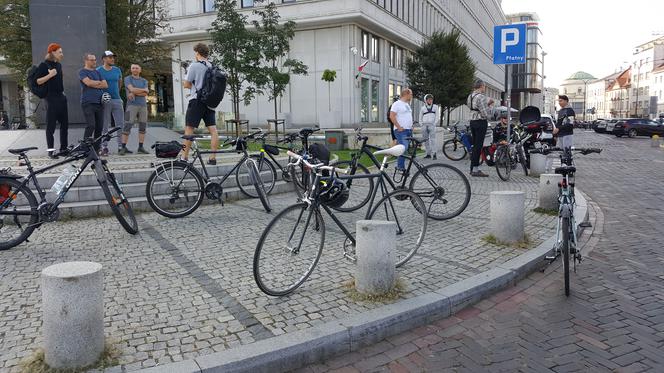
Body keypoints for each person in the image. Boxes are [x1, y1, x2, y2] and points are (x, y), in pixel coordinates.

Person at [182, 43, 219, 164]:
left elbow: (186, 84)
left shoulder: (194, 65)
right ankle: (213, 158)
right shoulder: (212, 66)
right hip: (209, 102)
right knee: (213, 130)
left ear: (197, 53)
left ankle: (184, 157)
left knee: (189, 129)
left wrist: (193, 86)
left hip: (196, 101)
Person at [36, 43, 69, 158]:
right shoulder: (43, 65)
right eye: (60, 52)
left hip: (61, 97)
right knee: (51, 126)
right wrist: (50, 76)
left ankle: (64, 149)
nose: (62, 54)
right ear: (53, 52)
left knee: (65, 125)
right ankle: (51, 151)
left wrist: (62, 92)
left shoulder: (58, 65)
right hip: (50, 98)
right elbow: (38, 81)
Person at [79, 53, 108, 151]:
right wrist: (98, 83)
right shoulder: (82, 72)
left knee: (99, 127)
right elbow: (88, 83)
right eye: (92, 60)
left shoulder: (97, 72)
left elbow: (105, 85)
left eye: (95, 60)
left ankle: (96, 149)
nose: (94, 62)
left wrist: (94, 83)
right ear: (86, 61)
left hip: (99, 103)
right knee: (91, 125)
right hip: (88, 102)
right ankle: (85, 149)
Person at [97, 50, 124, 156]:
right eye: (110, 57)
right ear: (104, 59)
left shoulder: (117, 70)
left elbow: (119, 83)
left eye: (113, 57)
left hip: (117, 100)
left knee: (120, 124)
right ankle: (104, 147)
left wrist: (117, 95)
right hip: (105, 101)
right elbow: (97, 84)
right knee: (105, 125)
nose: (112, 59)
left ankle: (120, 146)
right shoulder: (98, 71)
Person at [466, 79, 494, 177]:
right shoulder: (481, 97)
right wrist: (490, 106)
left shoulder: (470, 96)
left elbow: (473, 108)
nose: (484, 88)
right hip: (480, 122)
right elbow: (486, 114)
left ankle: (472, 167)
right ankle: (475, 169)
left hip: (472, 121)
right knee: (478, 146)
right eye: (484, 86)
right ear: (481, 86)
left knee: (475, 145)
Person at [122, 63, 150, 155]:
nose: (135, 69)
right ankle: (123, 147)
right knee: (127, 125)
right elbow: (133, 89)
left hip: (143, 106)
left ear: (140, 70)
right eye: (133, 68)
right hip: (131, 106)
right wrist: (141, 90)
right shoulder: (127, 79)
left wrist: (134, 92)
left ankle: (141, 147)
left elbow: (145, 93)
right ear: (131, 70)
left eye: (137, 68)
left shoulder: (144, 80)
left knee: (143, 126)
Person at [389, 89, 414, 172]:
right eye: (411, 94)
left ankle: (401, 167)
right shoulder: (396, 104)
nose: (412, 96)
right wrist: (399, 127)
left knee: (404, 149)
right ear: (406, 94)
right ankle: (400, 167)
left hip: (408, 130)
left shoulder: (407, 104)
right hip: (401, 131)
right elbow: (392, 116)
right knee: (403, 148)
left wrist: (411, 126)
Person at [419, 93, 439, 159]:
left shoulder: (435, 107)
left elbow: (437, 116)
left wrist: (434, 123)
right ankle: (428, 154)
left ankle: (434, 153)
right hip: (424, 125)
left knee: (433, 140)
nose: (430, 101)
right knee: (426, 140)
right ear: (426, 100)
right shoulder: (423, 108)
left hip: (432, 125)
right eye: (428, 99)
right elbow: (420, 117)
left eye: (431, 99)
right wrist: (421, 124)